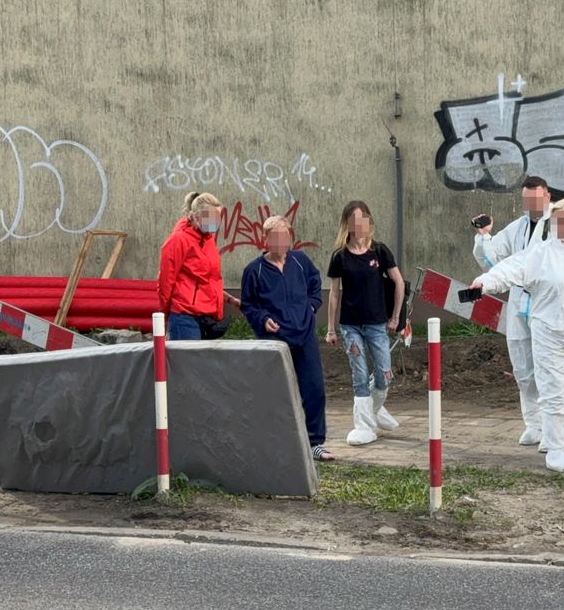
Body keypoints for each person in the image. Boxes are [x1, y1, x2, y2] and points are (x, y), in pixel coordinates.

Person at [470, 198, 564, 472]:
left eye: (563, 219)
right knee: (554, 392)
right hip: (551, 335)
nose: (557, 224)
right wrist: (484, 283)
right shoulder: (540, 253)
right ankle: (556, 448)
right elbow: (509, 269)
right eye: (554, 219)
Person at [240, 216, 332, 462]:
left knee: (314, 388)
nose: (282, 242)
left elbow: (315, 285)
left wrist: (312, 307)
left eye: (286, 237)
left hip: (305, 336)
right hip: (275, 340)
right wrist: (261, 320)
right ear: (266, 239)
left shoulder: (301, 261)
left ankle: (315, 443)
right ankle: (277, 441)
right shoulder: (254, 271)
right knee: (277, 391)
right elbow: (249, 305)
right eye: (277, 238)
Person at [472, 175, 554, 448]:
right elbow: (493, 260)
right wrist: (483, 236)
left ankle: (552, 428)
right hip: (519, 304)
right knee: (523, 367)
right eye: (526, 200)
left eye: (536, 199)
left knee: (548, 367)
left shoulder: (558, 223)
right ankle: (533, 422)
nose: (531, 205)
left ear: (547, 196)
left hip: (547, 303)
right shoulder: (518, 227)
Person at [326, 201, 404, 446]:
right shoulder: (339, 256)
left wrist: (395, 318)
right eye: (353, 221)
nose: (359, 226)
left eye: (363, 220)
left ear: (368, 222)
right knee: (359, 374)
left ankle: (374, 408)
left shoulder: (379, 251)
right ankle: (364, 425)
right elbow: (334, 293)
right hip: (351, 326)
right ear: (347, 224)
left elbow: (399, 283)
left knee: (385, 374)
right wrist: (330, 329)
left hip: (377, 324)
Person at [157, 191, 241, 340]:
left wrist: (229, 299)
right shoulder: (178, 240)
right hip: (184, 315)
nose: (216, 222)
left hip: (206, 314)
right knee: (188, 362)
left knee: (201, 363)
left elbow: (208, 279)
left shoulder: (208, 239)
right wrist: (166, 314)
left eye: (218, 217)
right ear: (196, 217)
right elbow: (165, 282)